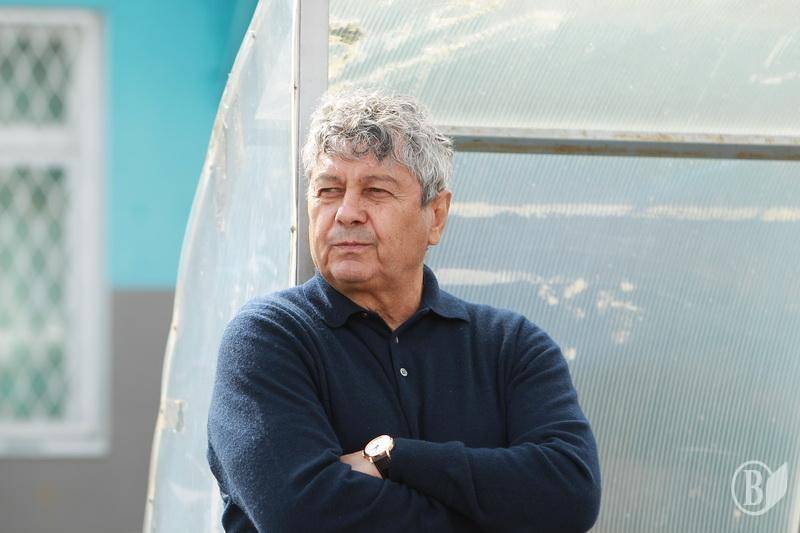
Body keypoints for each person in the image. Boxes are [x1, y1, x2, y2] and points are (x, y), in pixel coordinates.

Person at [207, 89, 601, 532]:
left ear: (436, 215)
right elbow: (304, 516)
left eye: (375, 191)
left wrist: (394, 457)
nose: (347, 213)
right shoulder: (268, 339)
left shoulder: (510, 346)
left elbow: (571, 494)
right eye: (328, 190)